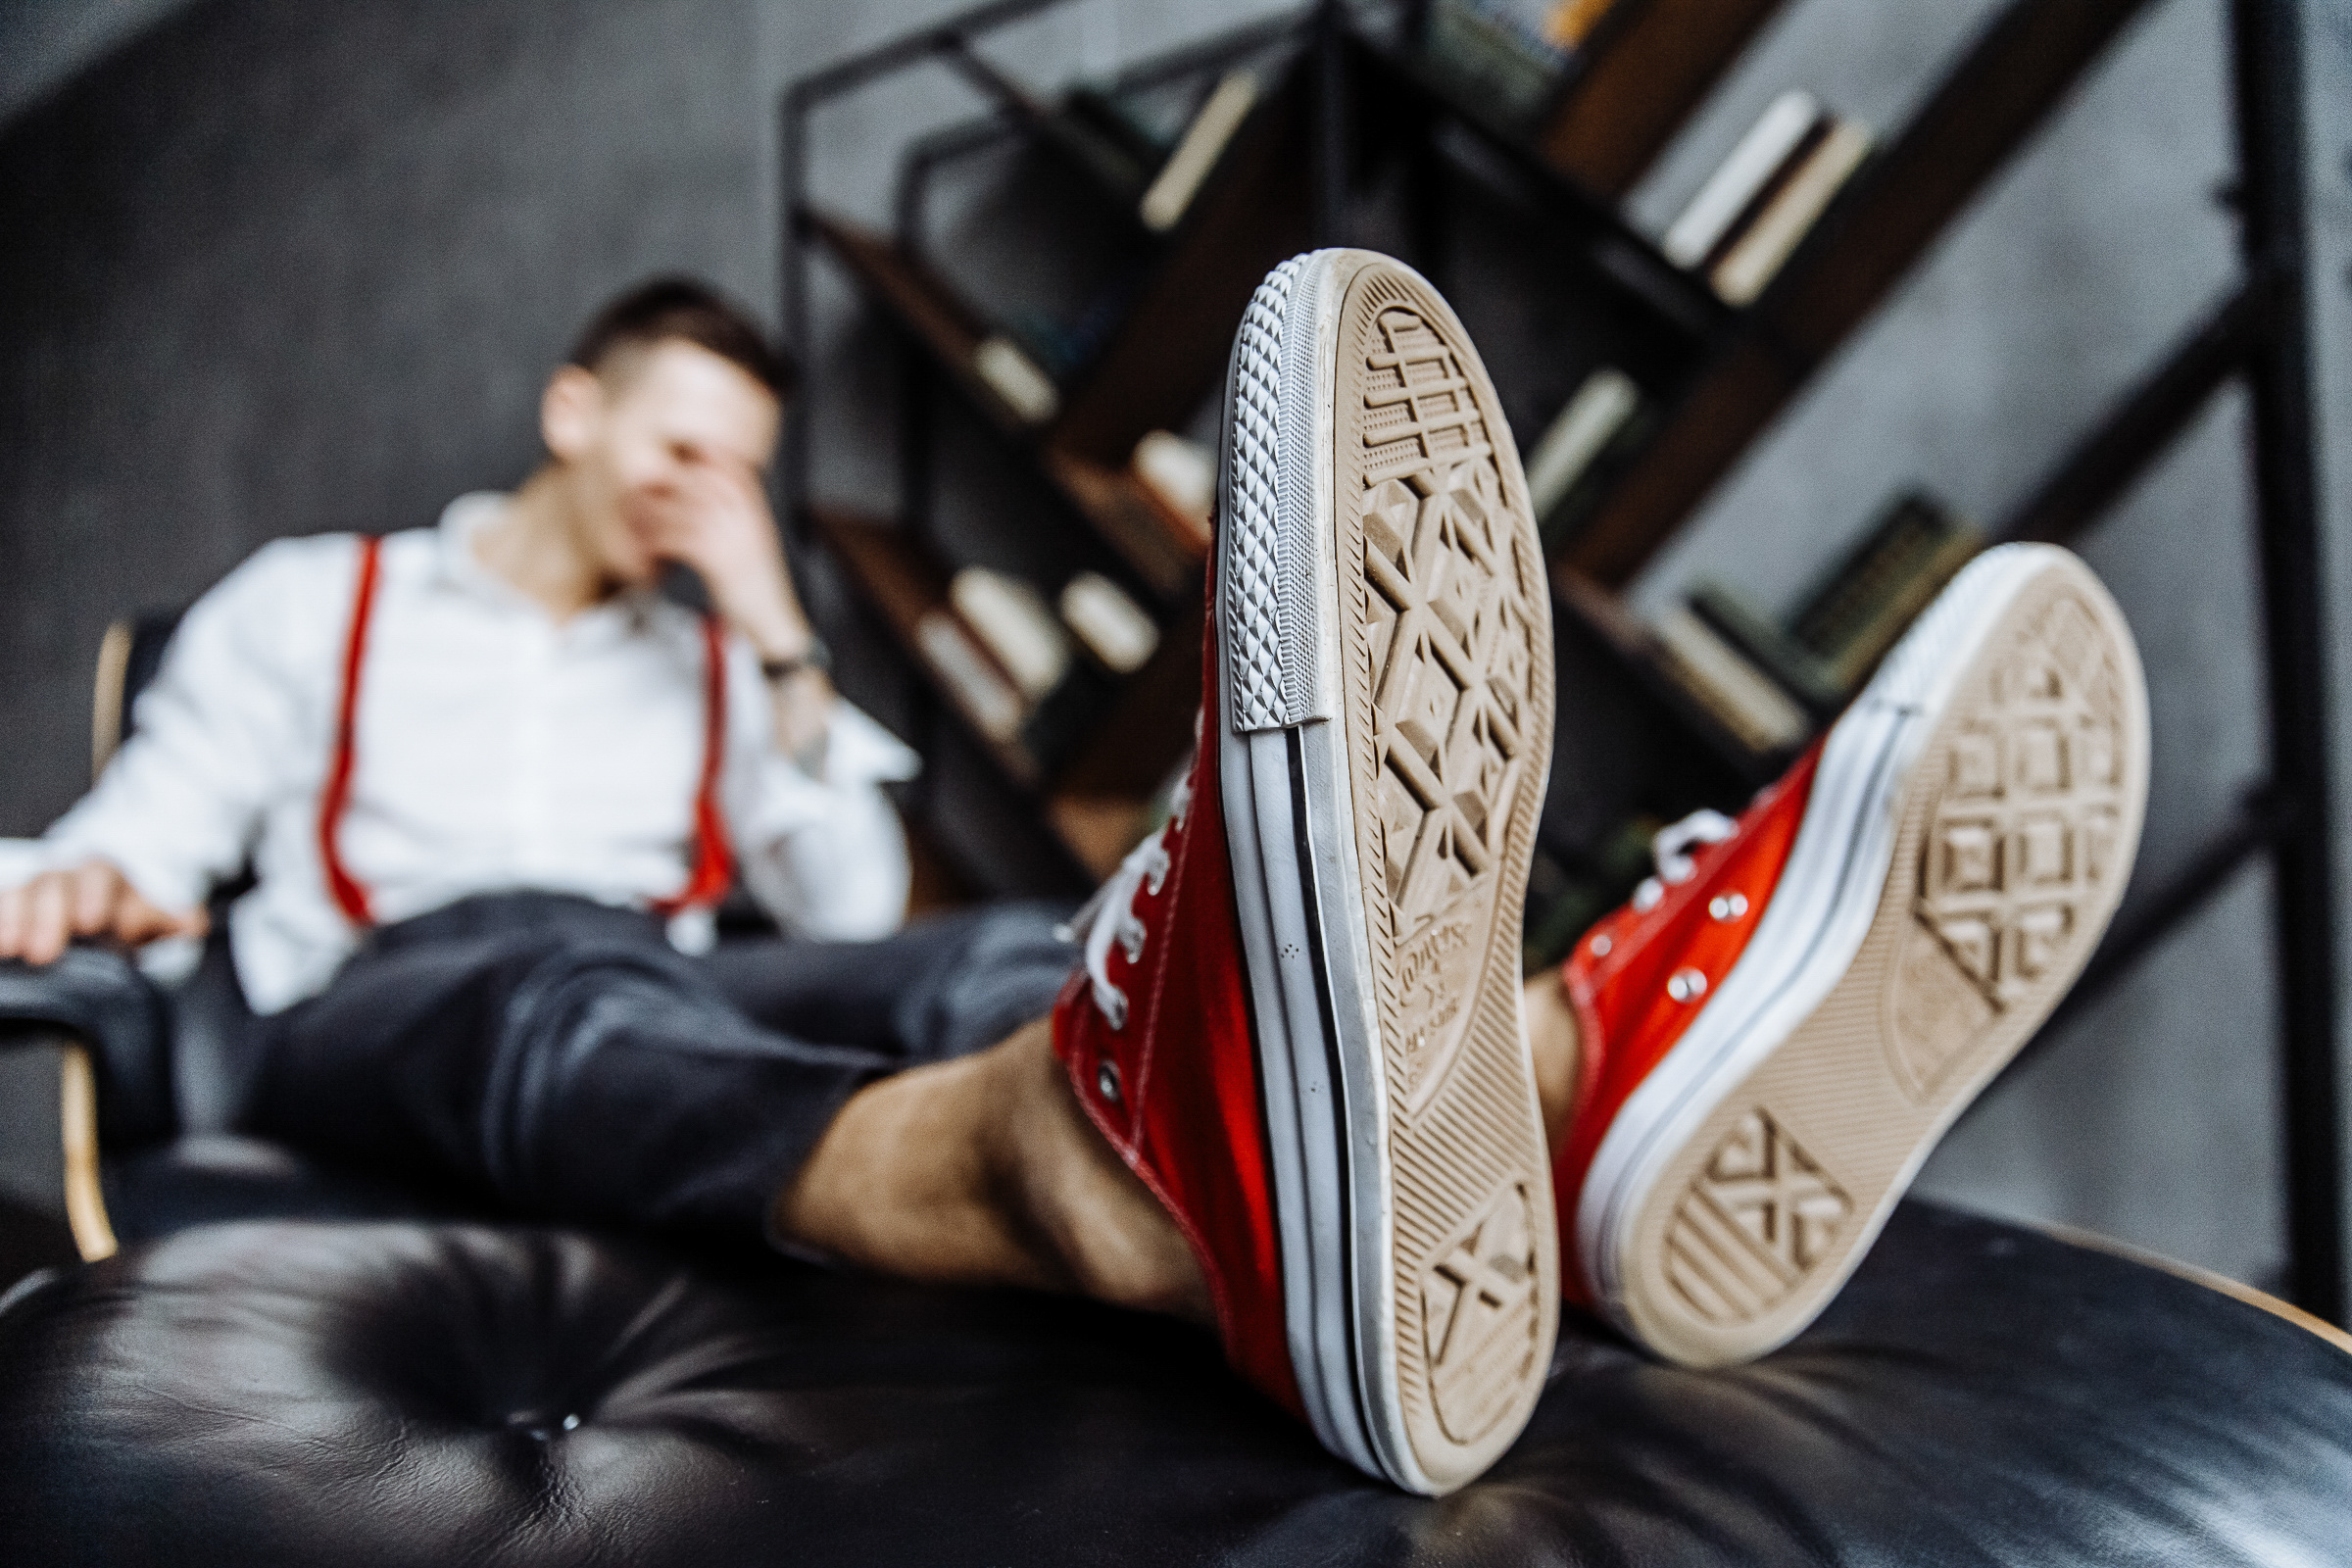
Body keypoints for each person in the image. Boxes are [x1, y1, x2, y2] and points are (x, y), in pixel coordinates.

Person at [0, 255, 2149, 1496]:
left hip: (699, 971)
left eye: (744, 464)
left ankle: (1568, 1076)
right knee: (553, 990)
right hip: (382, 1002)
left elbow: (841, 892)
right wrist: (67, 886)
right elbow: (149, 824)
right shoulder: (326, 600)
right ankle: (1082, 1156)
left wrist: (770, 629)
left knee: (990, 950)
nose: (700, 485)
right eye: (674, 441)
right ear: (572, 408)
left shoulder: (716, 657)